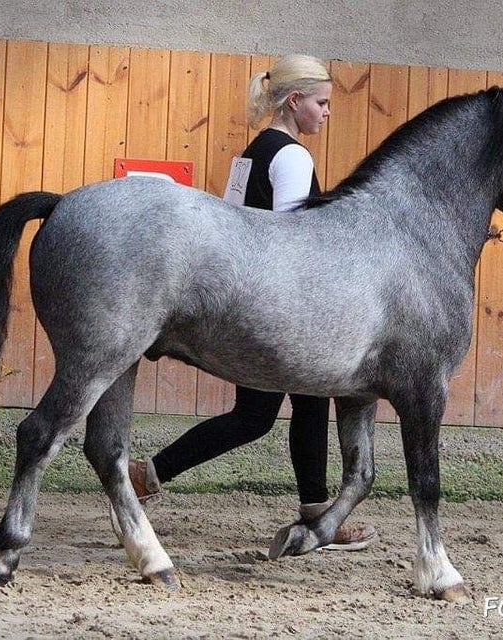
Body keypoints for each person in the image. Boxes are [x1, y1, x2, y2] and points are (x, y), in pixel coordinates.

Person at [128, 54, 377, 551]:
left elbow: (235, 219)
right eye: (321, 104)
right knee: (263, 414)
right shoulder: (291, 156)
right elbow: (290, 236)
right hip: (277, 304)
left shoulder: (251, 153)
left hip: (245, 294)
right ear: (294, 101)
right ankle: (148, 473)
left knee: (292, 405)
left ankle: (314, 511)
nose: (327, 113)